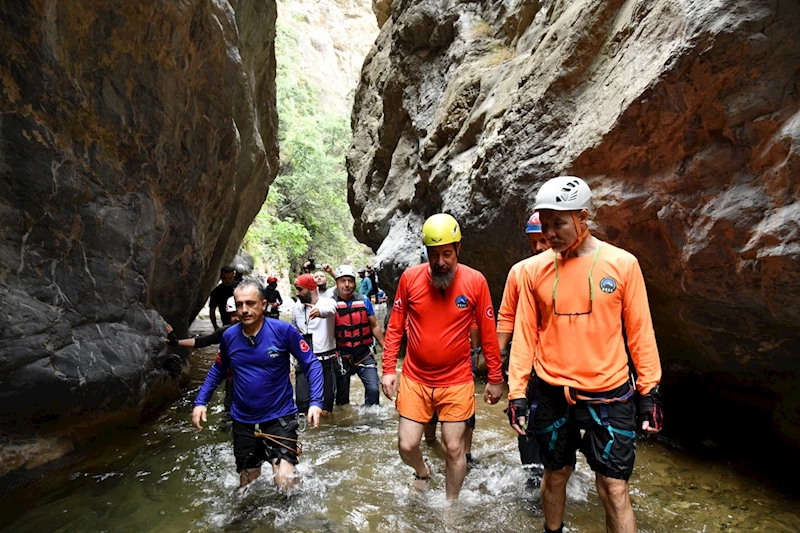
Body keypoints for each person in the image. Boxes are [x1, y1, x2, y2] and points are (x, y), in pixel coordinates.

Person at [505, 176, 663, 533]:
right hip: (551, 393)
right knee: (556, 474)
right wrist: (517, 392)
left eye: (558, 223)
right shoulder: (532, 271)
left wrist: (649, 392)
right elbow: (525, 336)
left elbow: (640, 331)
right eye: (545, 225)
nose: (550, 233)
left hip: (609, 393)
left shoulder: (623, 265)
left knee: (614, 487)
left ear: (584, 217)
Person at [382, 213, 504, 502]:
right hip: (415, 377)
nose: (440, 262)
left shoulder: (475, 282)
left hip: (457, 379)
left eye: (447, 254)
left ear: (458, 249)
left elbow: (488, 332)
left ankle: (450, 505)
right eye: (434, 254)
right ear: (426, 252)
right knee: (407, 445)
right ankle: (423, 472)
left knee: (453, 447)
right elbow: (395, 326)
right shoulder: (410, 278)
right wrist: (389, 368)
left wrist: (496, 378)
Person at [192, 280, 324, 489]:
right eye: (240, 304)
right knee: (247, 485)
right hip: (243, 421)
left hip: (279, 418)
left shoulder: (283, 331)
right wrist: (201, 402)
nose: (244, 310)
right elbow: (218, 369)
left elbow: (311, 363)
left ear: (263, 305)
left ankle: (299, 518)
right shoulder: (229, 336)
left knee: (285, 481)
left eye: (250, 303)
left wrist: (316, 401)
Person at [496, 212, 550, 481]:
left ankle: (559, 476)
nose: (539, 247)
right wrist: (497, 361)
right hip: (526, 364)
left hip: (560, 365)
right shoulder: (519, 271)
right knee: (526, 425)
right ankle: (532, 480)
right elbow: (506, 316)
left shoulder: (571, 270)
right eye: (533, 240)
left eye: (543, 240)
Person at [167, 296, 238, 410]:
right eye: (233, 315)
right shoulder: (226, 332)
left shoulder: (262, 333)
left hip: (253, 386)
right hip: (233, 383)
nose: (236, 318)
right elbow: (203, 341)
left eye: (237, 314)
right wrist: (176, 342)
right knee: (229, 412)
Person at [332, 264, 385, 406]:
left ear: (355, 283)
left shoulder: (364, 300)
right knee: (342, 399)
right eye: (343, 281)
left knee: (374, 390)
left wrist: (385, 349)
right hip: (342, 355)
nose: (347, 285)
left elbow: (374, 325)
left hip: (364, 353)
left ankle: (371, 420)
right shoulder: (330, 304)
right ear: (336, 283)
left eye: (350, 281)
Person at [291, 273, 338, 416]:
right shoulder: (296, 308)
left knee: (325, 409)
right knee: (302, 407)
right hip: (304, 361)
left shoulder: (327, 302)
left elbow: (331, 310)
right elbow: (293, 333)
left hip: (325, 361)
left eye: (300, 289)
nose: (297, 293)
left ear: (311, 289)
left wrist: (320, 312)